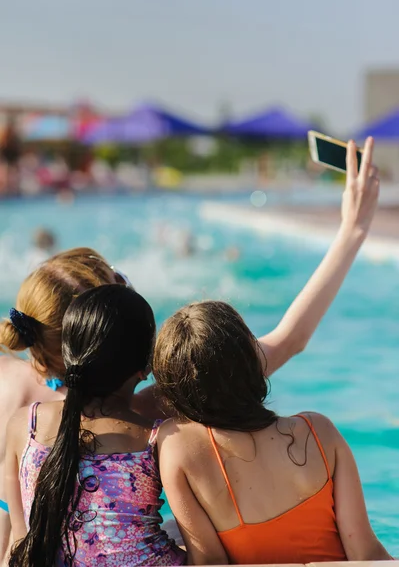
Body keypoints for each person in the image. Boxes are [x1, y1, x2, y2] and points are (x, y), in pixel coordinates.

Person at [0, 136, 381, 556]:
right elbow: (289, 339)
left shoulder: (21, 415)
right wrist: (352, 232)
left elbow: (13, 537)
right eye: (120, 282)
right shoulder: (152, 411)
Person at [153, 140, 393, 564]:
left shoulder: (179, 452)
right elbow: (364, 552)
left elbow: (209, 563)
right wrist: (354, 228)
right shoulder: (320, 435)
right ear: (255, 364)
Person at [5, 284, 185, 566]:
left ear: (66, 354)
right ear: (146, 366)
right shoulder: (159, 439)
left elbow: (20, 539)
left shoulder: (24, 425)